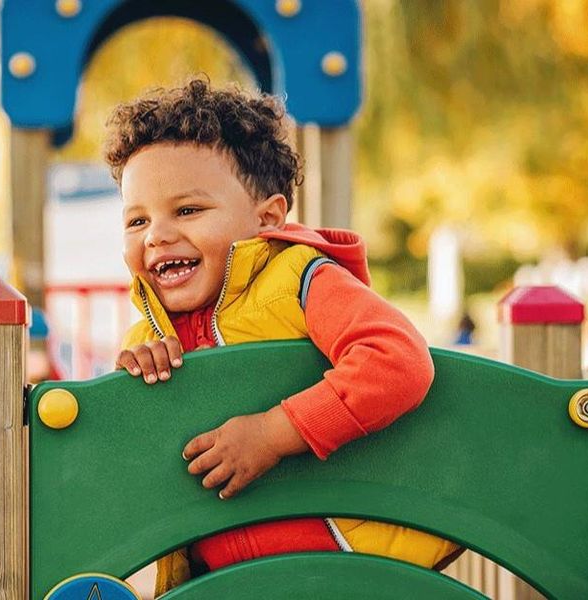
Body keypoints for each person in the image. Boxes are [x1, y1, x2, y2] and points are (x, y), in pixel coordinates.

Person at [106, 78, 458, 594]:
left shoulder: (299, 279)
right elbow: (132, 467)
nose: (156, 234)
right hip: (223, 582)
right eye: (137, 220)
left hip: (345, 564)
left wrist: (272, 434)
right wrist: (131, 392)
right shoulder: (148, 334)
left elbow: (396, 359)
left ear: (266, 217)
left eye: (187, 210)